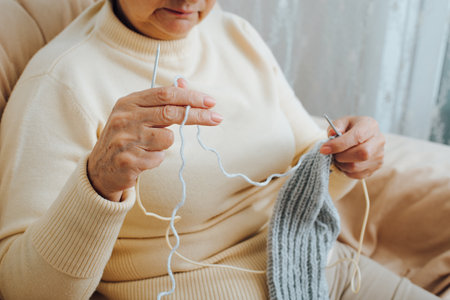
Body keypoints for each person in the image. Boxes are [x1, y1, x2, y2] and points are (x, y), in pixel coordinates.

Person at [0, 0, 438, 299]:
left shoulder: (234, 33)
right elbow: (23, 289)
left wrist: (347, 157)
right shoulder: (63, 80)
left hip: (319, 264)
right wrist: (98, 183)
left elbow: (306, 165)